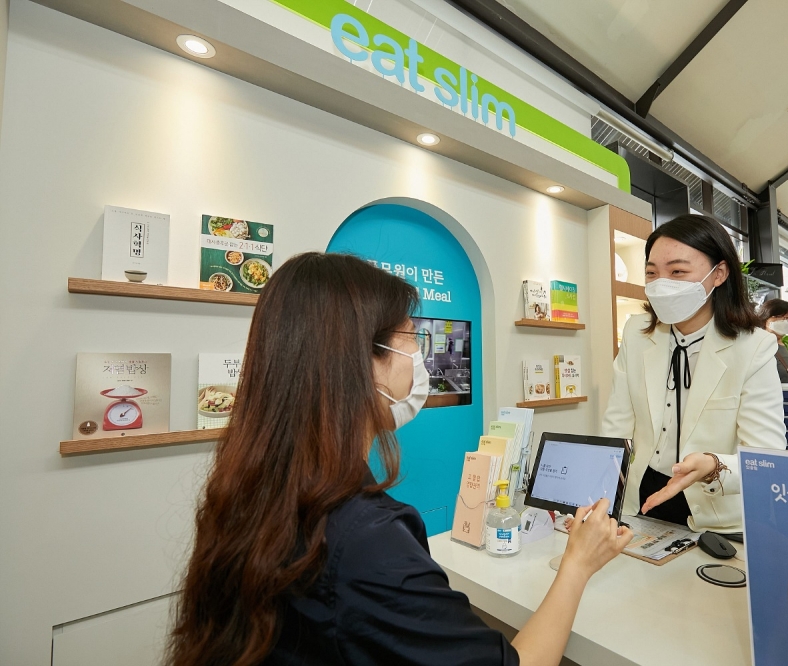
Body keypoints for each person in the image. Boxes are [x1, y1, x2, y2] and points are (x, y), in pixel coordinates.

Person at [167, 253, 633, 666]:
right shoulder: (367, 543)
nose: (420, 360)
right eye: (411, 339)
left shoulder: (252, 490)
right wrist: (577, 565)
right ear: (359, 361)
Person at [594, 214, 786, 532]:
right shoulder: (637, 332)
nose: (661, 284)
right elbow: (617, 423)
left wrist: (713, 466)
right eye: (652, 273)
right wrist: (601, 498)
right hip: (641, 496)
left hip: (715, 507)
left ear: (719, 273)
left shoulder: (754, 347)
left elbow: (766, 458)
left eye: (677, 272)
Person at [759, 298, 788, 383]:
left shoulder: (783, 346)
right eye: (779, 317)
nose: (785, 321)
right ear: (765, 318)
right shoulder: (761, 346)